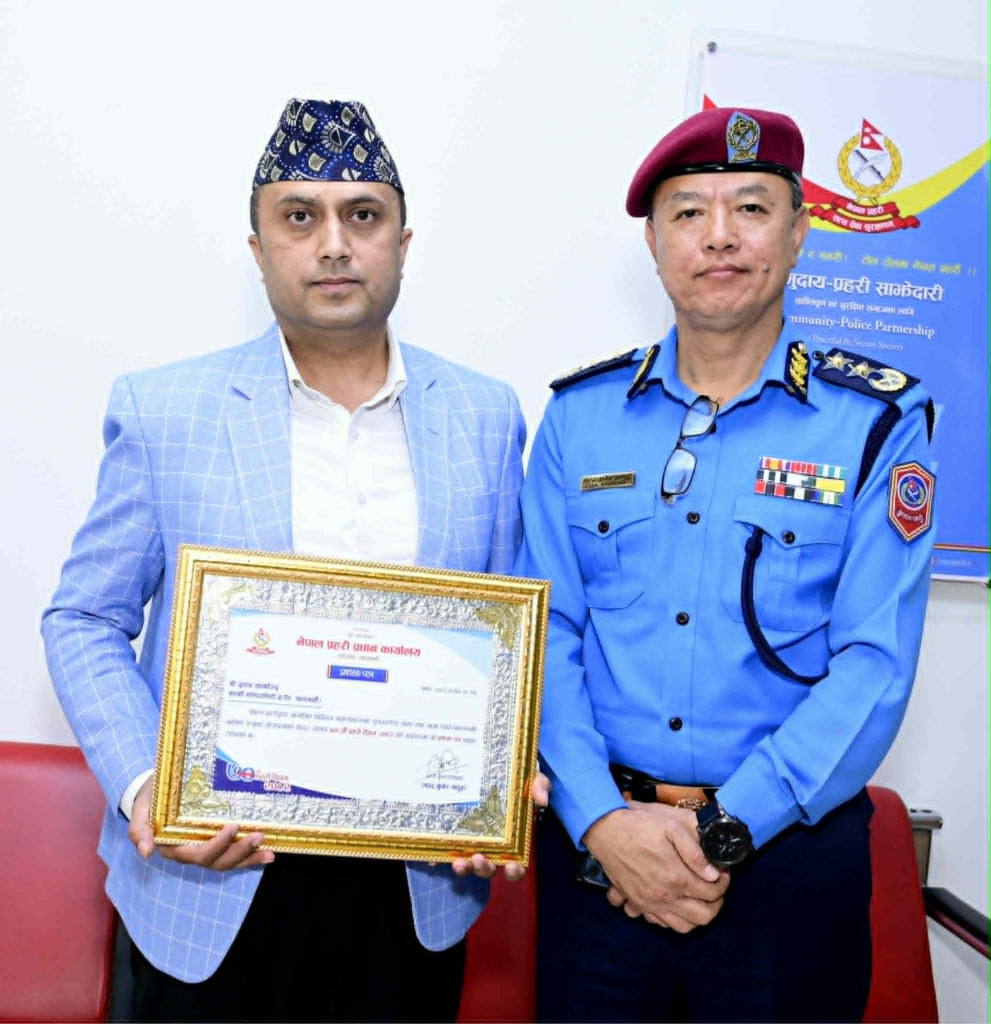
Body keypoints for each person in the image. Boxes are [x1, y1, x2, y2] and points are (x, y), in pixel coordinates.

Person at [42, 97, 543, 1022]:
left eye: (363, 215)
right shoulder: (166, 409)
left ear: (402, 242)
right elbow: (84, 618)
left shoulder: (484, 414)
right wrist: (149, 788)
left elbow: (508, 629)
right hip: (207, 889)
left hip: (412, 891)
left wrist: (503, 776)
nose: (334, 245)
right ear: (259, 246)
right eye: (300, 216)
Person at [516, 106, 936, 1022]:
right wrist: (600, 820)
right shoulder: (578, 418)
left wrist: (720, 829)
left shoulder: (874, 422)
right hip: (600, 863)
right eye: (687, 212)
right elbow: (544, 634)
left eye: (749, 208)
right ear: (654, 242)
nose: (718, 236)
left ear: (798, 231)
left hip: (788, 865)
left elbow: (873, 665)